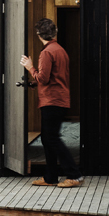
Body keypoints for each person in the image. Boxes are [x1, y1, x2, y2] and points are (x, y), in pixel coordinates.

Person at [21, 17, 83, 187]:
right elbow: (54, 77)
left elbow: (44, 78)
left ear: (39, 35)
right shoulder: (60, 50)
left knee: (52, 139)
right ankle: (50, 177)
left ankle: (74, 175)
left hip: (51, 101)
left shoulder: (46, 52)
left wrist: (30, 67)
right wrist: (35, 82)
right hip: (58, 99)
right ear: (54, 33)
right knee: (48, 139)